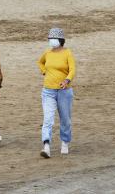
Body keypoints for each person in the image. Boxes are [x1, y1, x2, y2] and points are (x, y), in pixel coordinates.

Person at [38, 28, 76, 157]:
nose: (51, 41)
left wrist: (67, 80)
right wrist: (44, 71)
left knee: (65, 119)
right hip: (48, 90)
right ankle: (46, 145)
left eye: (53, 39)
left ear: (60, 40)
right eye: (50, 39)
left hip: (64, 91)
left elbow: (72, 70)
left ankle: (65, 142)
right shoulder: (47, 53)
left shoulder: (67, 53)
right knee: (48, 119)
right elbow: (40, 62)